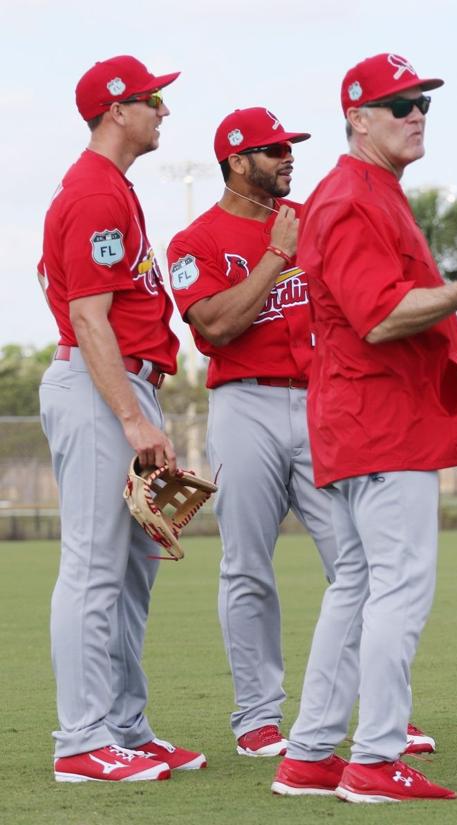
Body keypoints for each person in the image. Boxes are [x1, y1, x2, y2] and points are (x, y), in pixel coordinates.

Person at [269, 53, 457, 803]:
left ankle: (312, 754)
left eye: (424, 104)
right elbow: (379, 315)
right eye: (400, 102)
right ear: (358, 118)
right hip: (377, 422)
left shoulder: (374, 191)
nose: (416, 114)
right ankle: (375, 758)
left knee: (358, 586)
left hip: (366, 419)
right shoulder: (350, 197)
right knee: (397, 588)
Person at [38, 55, 206, 782]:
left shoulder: (113, 190)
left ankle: (124, 727)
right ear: (116, 110)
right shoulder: (94, 192)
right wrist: (134, 419)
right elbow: (86, 316)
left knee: (131, 573)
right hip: (101, 388)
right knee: (92, 567)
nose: (162, 111)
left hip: (124, 384)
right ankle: (80, 740)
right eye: (152, 100)